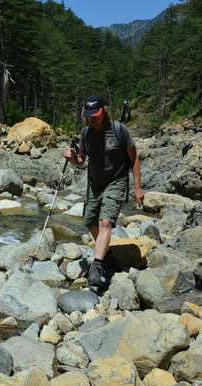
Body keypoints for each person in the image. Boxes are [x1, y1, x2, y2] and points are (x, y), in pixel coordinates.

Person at [64, 95, 144, 292]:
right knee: (90, 222)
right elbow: (80, 162)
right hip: (94, 185)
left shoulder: (119, 130)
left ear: (104, 111)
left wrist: (138, 187)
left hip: (116, 182)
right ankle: (106, 253)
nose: (94, 119)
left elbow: (134, 159)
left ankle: (97, 267)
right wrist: (73, 157)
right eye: (90, 116)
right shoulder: (86, 133)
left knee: (105, 222)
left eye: (97, 115)